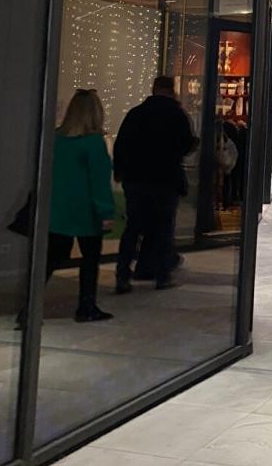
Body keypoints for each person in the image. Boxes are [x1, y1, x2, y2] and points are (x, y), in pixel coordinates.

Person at [30, 89, 116, 325]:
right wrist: (106, 212)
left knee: (50, 259)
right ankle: (86, 306)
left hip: (58, 209)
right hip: (85, 211)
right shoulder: (93, 143)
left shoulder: (56, 139)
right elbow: (99, 182)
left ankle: (29, 308)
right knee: (90, 260)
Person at [113, 76, 199, 293]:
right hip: (165, 180)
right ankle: (162, 275)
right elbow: (185, 144)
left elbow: (121, 145)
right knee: (163, 228)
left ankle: (123, 274)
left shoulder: (136, 113)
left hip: (136, 179)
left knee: (133, 228)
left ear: (153, 89)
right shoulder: (177, 115)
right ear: (171, 90)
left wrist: (120, 171)